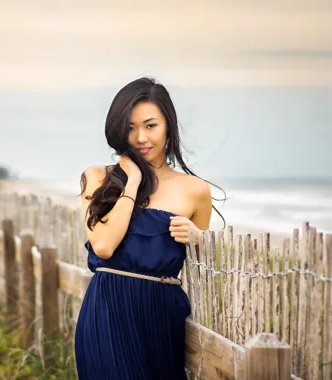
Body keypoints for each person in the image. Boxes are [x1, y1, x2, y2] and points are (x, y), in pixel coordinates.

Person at [74, 77, 225, 379]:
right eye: (130, 127)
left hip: (162, 315)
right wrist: (132, 182)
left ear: (168, 125)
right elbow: (103, 246)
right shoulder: (98, 178)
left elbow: (206, 270)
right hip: (107, 310)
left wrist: (200, 241)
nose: (140, 137)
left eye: (150, 125)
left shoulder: (194, 190)